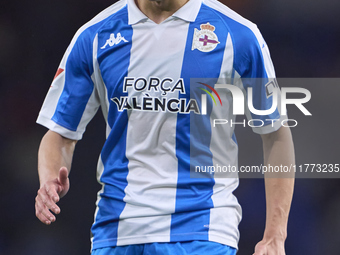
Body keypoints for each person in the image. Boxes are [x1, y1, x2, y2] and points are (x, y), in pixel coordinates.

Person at [35, 0, 295, 254]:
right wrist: (48, 180)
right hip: (115, 230)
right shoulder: (95, 35)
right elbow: (60, 133)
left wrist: (275, 235)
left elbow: (275, 133)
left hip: (202, 230)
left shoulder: (238, 35)